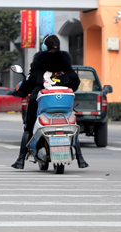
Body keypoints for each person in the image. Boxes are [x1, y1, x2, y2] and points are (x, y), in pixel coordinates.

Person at [11, 34, 88, 170]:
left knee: (28, 127)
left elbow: (29, 82)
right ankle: (80, 158)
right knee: (71, 127)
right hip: (64, 104)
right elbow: (75, 82)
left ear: (45, 46)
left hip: (41, 103)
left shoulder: (39, 63)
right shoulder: (65, 62)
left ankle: (20, 159)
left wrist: (19, 91)